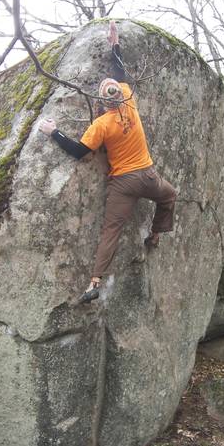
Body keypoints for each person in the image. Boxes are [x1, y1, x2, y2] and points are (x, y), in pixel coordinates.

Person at [38, 21, 177, 303]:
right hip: (148, 178)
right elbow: (119, 71)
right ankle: (155, 235)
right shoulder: (129, 101)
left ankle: (94, 282)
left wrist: (54, 132)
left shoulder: (100, 125)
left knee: (110, 231)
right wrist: (114, 44)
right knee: (170, 195)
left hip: (123, 184)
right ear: (119, 95)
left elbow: (79, 152)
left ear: (101, 102)